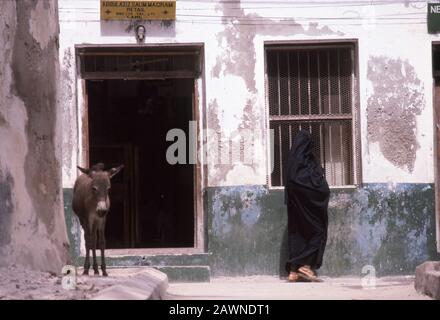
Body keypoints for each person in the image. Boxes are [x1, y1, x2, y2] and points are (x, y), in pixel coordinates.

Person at [284, 129, 330, 282]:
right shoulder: (307, 165)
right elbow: (315, 186)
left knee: (296, 235)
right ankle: (305, 266)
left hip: (295, 209)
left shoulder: (292, 165)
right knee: (318, 231)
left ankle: (293, 271)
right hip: (311, 210)